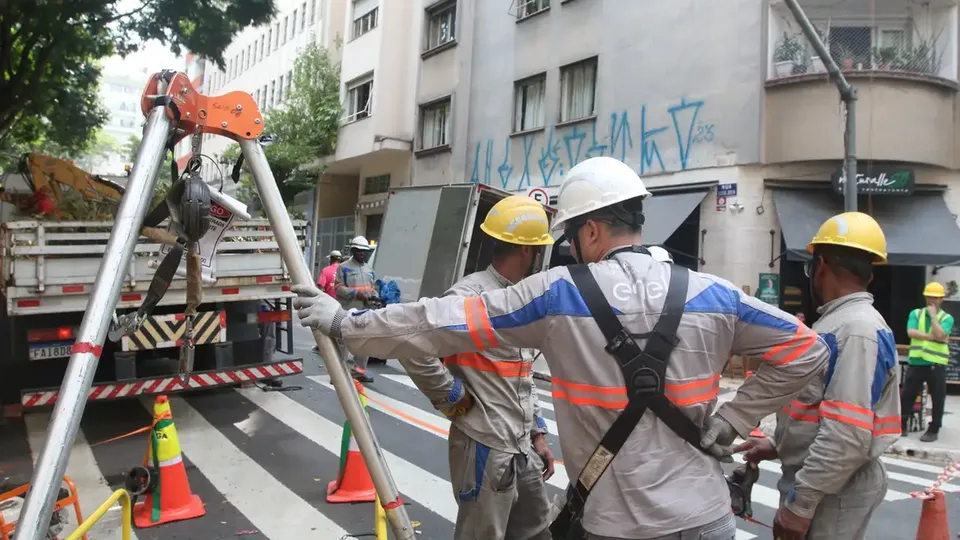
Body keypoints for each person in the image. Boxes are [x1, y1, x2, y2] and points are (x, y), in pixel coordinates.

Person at [292, 156, 829, 540]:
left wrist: (345, 323)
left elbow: (437, 321)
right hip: (710, 518)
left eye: (572, 235)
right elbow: (808, 351)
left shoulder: (558, 295)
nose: (569, 248)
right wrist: (736, 417)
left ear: (592, 230)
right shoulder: (713, 293)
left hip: (619, 524)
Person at [735, 212, 901, 540]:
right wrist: (777, 444)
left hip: (834, 493)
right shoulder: (838, 324)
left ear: (820, 265)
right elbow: (816, 411)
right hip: (827, 484)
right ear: (869, 274)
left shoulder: (856, 330)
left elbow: (846, 434)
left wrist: (801, 505)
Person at [400, 195, 556, 540]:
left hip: (521, 445)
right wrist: (452, 396)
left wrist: (538, 433)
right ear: (528, 251)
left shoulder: (520, 296)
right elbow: (413, 345)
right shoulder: (471, 296)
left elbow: (522, 374)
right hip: (486, 445)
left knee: (537, 531)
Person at [901, 281, 954, 442]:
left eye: (936, 297)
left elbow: (941, 333)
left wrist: (932, 317)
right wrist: (933, 337)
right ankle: (902, 424)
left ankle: (934, 429)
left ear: (941, 299)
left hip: (936, 364)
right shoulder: (915, 314)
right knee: (908, 394)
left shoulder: (946, 318)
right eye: (930, 296)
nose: (932, 300)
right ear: (925, 297)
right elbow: (911, 332)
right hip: (917, 361)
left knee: (938, 397)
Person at [334, 236, 379, 383]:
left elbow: (372, 289)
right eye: (359, 251)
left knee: (364, 342)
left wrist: (375, 298)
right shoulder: (343, 267)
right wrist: (354, 294)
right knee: (344, 343)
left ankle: (359, 371)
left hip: (365, 311)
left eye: (364, 252)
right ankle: (340, 375)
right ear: (353, 251)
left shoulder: (369, 270)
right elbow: (338, 288)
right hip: (348, 311)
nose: (362, 254)